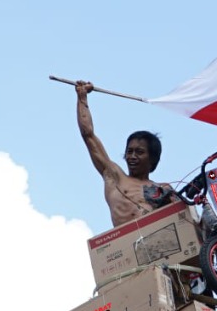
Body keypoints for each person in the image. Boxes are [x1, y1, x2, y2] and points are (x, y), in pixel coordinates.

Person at [75, 80, 175, 227]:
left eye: (139, 152)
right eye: (129, 151)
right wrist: (82, 97)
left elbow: (186, 219)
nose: (132, 156)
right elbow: (88, 135)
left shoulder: (163, 189)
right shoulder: (114, 177)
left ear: (152, 158)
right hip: (126, 244)